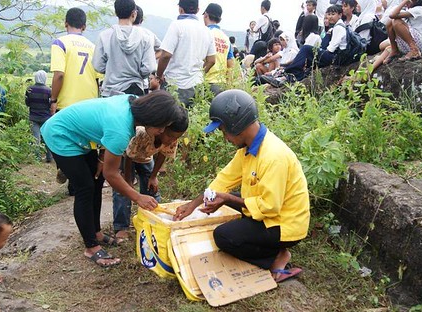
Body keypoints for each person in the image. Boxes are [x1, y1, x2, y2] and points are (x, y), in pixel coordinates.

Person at [173, 90, 310, 283]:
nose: (225, 138)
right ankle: (268, 247)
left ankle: (275, 257)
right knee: (230, 198)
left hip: (285, 224)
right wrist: (193, 205)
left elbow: (270, 207)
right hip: (270, 214)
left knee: (223, 236)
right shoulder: (249, 148)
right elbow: (224, 179)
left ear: (235, 126)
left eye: (223, 131)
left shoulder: (273, 156)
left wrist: (227, 199)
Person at [40, 91, 181, 268]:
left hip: (81, 136)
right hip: (60, 135)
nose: (162, 132)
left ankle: (96, 233)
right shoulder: (120, 129)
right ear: (152, 117)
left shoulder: (134, 102)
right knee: (85, 188)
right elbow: (111, 174)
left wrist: (101, 159)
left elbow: (103, 131)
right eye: (161, 127)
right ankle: (91, 247)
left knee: (96, 182)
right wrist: (138, 197)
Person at [112, 110, 189, 242]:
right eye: (170, 136)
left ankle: (155, 219)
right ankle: (121, 227)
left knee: (152, 189)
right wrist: (128, 180)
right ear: (162, 129)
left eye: (177, 137)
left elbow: (162, 155)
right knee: (123, 191)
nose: (173, 140)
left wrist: (153, 176)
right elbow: (130, 156)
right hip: (127, 158)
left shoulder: (172, 138)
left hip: (146, 158)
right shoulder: (142, 133)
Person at [50, 7, 100, 189]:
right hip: (90, 103)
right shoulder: (93, 47)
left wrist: (53, 99)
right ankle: (89, 179)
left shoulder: (60, 43)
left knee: (65, 143)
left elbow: (59, 75)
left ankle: (69, 174)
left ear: (65, 23)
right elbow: (98, 78)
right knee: (88, 145)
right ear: (84, 27)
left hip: (68, 102)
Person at [156, 0, 216, 108]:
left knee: (170, 120)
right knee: (192, 119)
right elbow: (212, 60)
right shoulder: (206, 31)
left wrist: (159, 75)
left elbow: (166, 55)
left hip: (174, 84)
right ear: (198, 10)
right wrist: (200, 74)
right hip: (196, 85)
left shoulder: (177, 25)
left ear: (180, 9)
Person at [92, 0, 155, 97]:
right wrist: (138, 74)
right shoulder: (145, 37)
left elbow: (97, 65)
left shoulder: (104, 35)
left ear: (116, 13)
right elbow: (149, 67)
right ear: (134, 13)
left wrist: (112, 69)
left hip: (110, 92)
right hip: (135, 91)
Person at [284, 5, 349, 81]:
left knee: (306, 49)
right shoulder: (335, 27)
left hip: (335, 57)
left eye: (333, 14)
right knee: (310, 54)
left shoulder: (339, 27)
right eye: (329, 14)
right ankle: (297, 74)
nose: (330, 17)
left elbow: (331, 49)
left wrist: (320, 52)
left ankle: (293, 73)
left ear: (340, 15)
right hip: (335, 56)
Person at [203, 3, 235, 96]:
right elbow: (231, 64)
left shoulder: (205, 33)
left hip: (205, 81)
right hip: (221, 83)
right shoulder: (225, 38)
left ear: (205, 15)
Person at [25, 70, 53, 163]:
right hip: (46, 118)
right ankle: (49, 158)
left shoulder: (29, 89)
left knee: (36, 138)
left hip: (33, 117)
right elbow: (51, 104)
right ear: (45, 78)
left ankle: (37, 158)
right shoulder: (49, 90)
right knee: (47, 138)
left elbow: (27, 103)